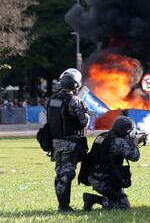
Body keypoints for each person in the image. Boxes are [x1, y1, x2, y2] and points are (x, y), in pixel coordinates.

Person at [46, 68, 89, 212]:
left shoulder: (51, 100)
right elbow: (83, 122)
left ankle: (62, 204)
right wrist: (87, 114)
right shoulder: (74, 101)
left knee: (59, 173)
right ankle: (63, 207)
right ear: (76, 85)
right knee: (67, 174)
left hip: (55, 143)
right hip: (70, 144)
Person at [83, 116, 144, 210]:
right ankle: (92, 199)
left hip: (93, 176)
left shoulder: (103, 135)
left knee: (112, 202)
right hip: (105, 180)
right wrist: (135, 142)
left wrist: (134, 141)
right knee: (124, 206)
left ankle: (90, 199)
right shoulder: (118, 141)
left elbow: (116, 149)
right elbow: (135, 156)